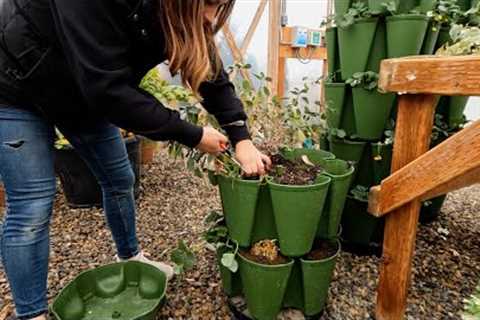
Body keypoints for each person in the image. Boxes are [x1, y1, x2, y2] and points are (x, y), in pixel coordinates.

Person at [0, 0, 271, 319]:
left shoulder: (176, 11)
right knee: (32, 205)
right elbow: (109, 89)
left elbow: (206, 65)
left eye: (222, 4)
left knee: (119, 179)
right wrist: (192, 134)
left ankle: (131, 260)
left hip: (80, 94)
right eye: (209, 3)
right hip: (16, 84)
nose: (212, 16)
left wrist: (241, 137)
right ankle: (31, 313)